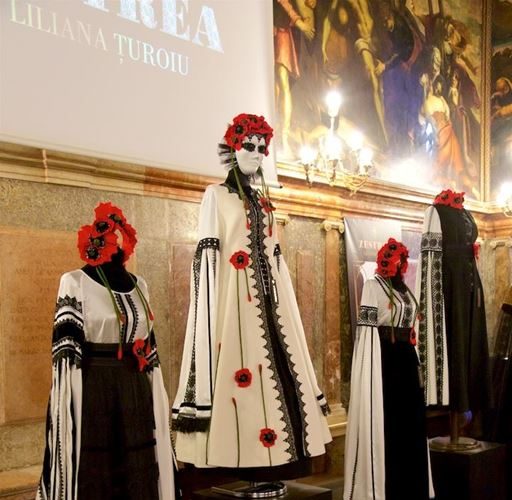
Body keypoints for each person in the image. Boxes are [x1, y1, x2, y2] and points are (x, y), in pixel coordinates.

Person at [172, 113, 331, 474]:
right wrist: (210, 311)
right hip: (233, 304)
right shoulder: (215, 196)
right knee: (241, 367)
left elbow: (275, 258)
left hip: (272, 303)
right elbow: (208, 259)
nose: (257, 154)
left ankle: (276, 461)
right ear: (233, 148)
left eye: (262, 148)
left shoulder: (263, 201)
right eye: (249, 146)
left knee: (284, 371)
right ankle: (242, 457)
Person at [37, 202, 176, 500]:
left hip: (134, 385)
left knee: (138, 466)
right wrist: (66, 408)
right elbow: (65, 352)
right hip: (95, 386)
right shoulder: (74, 282)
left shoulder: (140, 285)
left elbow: (150, 345)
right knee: (98, 467)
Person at [344, 238, 433, 500]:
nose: (400, 263)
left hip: (407, 359)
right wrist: (368, 369)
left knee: (411, 422)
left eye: (403, 259)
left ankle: (412, 486)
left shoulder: (404, 289)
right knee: (391, 421)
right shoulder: (373, 286)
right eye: (396, 258)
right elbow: (367, 331)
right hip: (386, 360)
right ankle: (388, 486)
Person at [416, 189, 491, 440]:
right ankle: (454, 415)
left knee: (471, 345)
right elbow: (430, 258)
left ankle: (470, 413)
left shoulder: (465, 213)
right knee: (455, 344)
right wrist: (432, 298)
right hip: (450, 287)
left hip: (469, 285)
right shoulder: (434, 212)